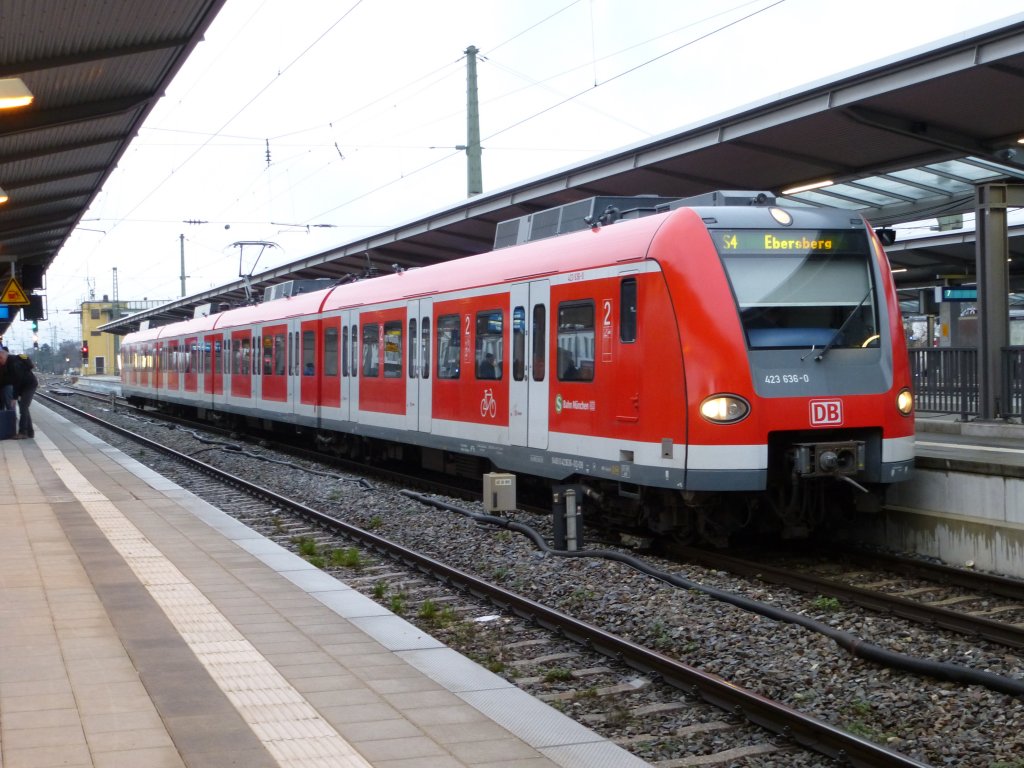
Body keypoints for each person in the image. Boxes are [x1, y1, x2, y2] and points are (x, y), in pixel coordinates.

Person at [0, 348, 37, 439]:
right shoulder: (6, 365)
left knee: (23, 407)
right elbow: (5, 381)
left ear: (2, 356)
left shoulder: (14, 363)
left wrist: (14, 397)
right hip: (22, 387)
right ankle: (30, 432)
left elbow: (17, 380)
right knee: (24, 408)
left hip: (29, 385)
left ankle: (23, 432)